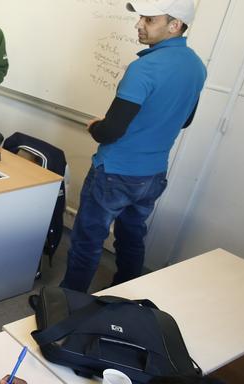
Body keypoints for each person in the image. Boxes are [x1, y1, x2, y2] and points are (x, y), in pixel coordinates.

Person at [60, 0, 206, 293]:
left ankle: (67, 304)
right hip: (152, 175)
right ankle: (125, 296)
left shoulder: (144, 67)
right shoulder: (196, 67)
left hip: (115, 172)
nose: (139, 25)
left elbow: (110, 131)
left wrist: (95, 126)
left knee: (88, 239)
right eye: (141, 18)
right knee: (132, 236)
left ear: (175, 25)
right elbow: (185, 120)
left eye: (150, 20)